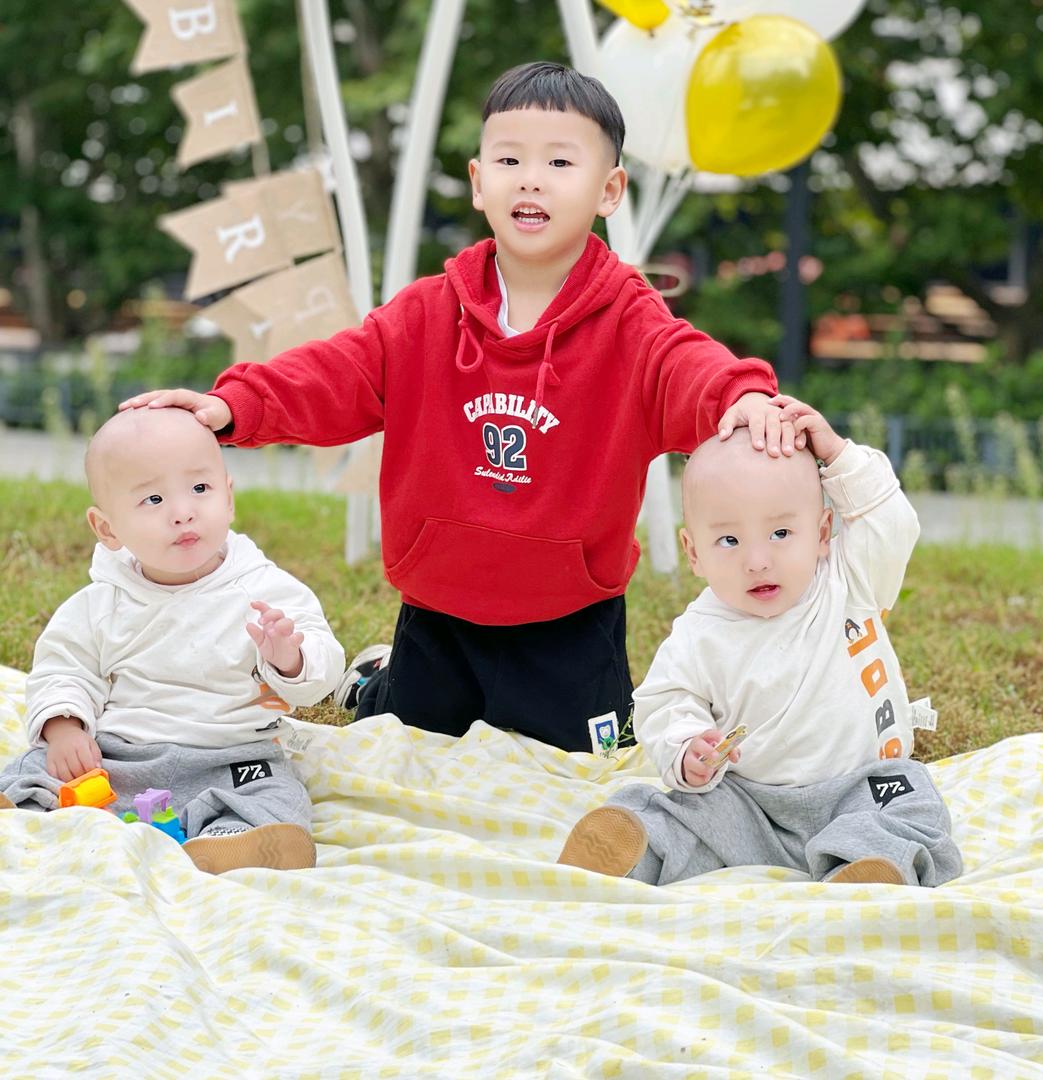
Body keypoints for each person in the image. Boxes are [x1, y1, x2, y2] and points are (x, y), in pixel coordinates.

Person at [120, 61, 803, 753]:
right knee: (405, 738)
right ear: (479, 183)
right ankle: (375, 682)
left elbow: (687, 364)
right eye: (510, 159)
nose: (530, 178)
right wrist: (235, 404)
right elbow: (337, 371)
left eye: (560, 161)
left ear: (609, 190)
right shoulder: (427, 311)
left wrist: (741, 395)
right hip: (438, 607)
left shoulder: (628, 319)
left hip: (569, 616)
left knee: (591, 761)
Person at [557, 398, 963, 887]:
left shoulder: (851, 579)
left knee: (909, 803)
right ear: (693, 552)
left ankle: (865, 872)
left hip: (859, 787)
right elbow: (665, 702)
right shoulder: (698, 633)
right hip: (746, 803)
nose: (756, 560)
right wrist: (686, 747)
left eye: (781, 533)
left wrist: (837, 457)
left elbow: (892, 522)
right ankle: (629, 848)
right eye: (729, 541)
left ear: (822, 532)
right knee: (675, 814)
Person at [0, 408, 345, 874]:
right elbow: (65, 667)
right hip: (117, 756)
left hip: (232, 757)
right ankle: (27, 818)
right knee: (36, 768)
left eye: (200, 489)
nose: (183, 511)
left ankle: (230, 841)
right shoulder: (102, 602)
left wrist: (290, 658)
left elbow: (321, 674)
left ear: (229, 496)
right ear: (107, 528)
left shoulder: (264, 590)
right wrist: (65, 729)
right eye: (154, 499)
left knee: (275, 792)